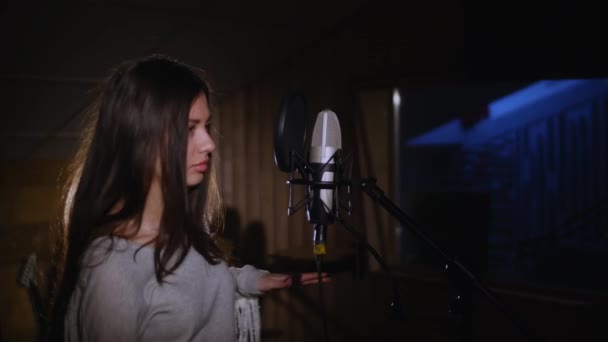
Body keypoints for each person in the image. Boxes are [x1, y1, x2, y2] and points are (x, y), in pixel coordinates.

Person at [46, 54, 328, 342]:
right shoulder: (113, 269)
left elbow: (184, 280)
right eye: (190, 129)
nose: (209, 143)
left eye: (206, 127)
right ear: (141, 138)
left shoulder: (174, 230)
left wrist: (251, 280)